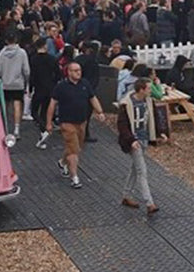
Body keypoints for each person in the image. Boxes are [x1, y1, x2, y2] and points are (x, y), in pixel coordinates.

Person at [46, 62, 106, 189]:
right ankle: (74, 177)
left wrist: (100, 111)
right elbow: (52, 104)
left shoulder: (85, 84)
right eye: (75, 70)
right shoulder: (61, 87)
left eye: (79, 70)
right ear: (69, 72)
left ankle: (62, 162)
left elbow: (92, 98)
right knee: (74, 150)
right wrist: (49, 122)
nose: (79, 72)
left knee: (75, 147)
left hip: (82, 122)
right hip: (67, 123)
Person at [117, 78, 165, 216]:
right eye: (149, 88)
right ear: (141, 89)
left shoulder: (148, 101)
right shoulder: (127, 104)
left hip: (143, 138)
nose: (151, 91)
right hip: (134, 140)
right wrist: (131, 140)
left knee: (135, 168)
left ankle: (126, 195)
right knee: (142, 171)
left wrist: (160, 131)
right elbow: (122, 125)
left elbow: (154, 117)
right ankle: (149, 203)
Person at [0, 32, 31, 139]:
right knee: (17, 104)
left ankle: (4, 128)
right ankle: (16, 129)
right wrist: (26, 80)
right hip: (18, 83)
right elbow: (26, 70)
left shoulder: (2, 53)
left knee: (4, 106)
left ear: (6, 41)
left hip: (5, 83)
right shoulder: (22, 53)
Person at [30, 38, 61, 149]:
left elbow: (32, 76)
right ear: (45, 46)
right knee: (44, 111)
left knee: (34, 111)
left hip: (38, 88)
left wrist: (30, 88)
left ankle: (44, 130)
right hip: (50, 88)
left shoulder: (33, 60)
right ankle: (43, 135)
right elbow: (58, 74)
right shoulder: (52, 59)